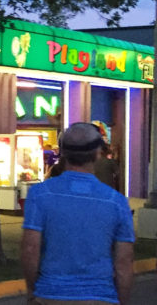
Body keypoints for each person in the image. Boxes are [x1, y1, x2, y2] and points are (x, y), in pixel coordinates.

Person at [21, 123, 134, 305]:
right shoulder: (117, 202)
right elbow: (124, 262)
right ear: (98, 153)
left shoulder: (40, 195)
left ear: (63, 152)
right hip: (100, 295)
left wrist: (33, 291)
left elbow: (30, 249)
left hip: (50, 293)